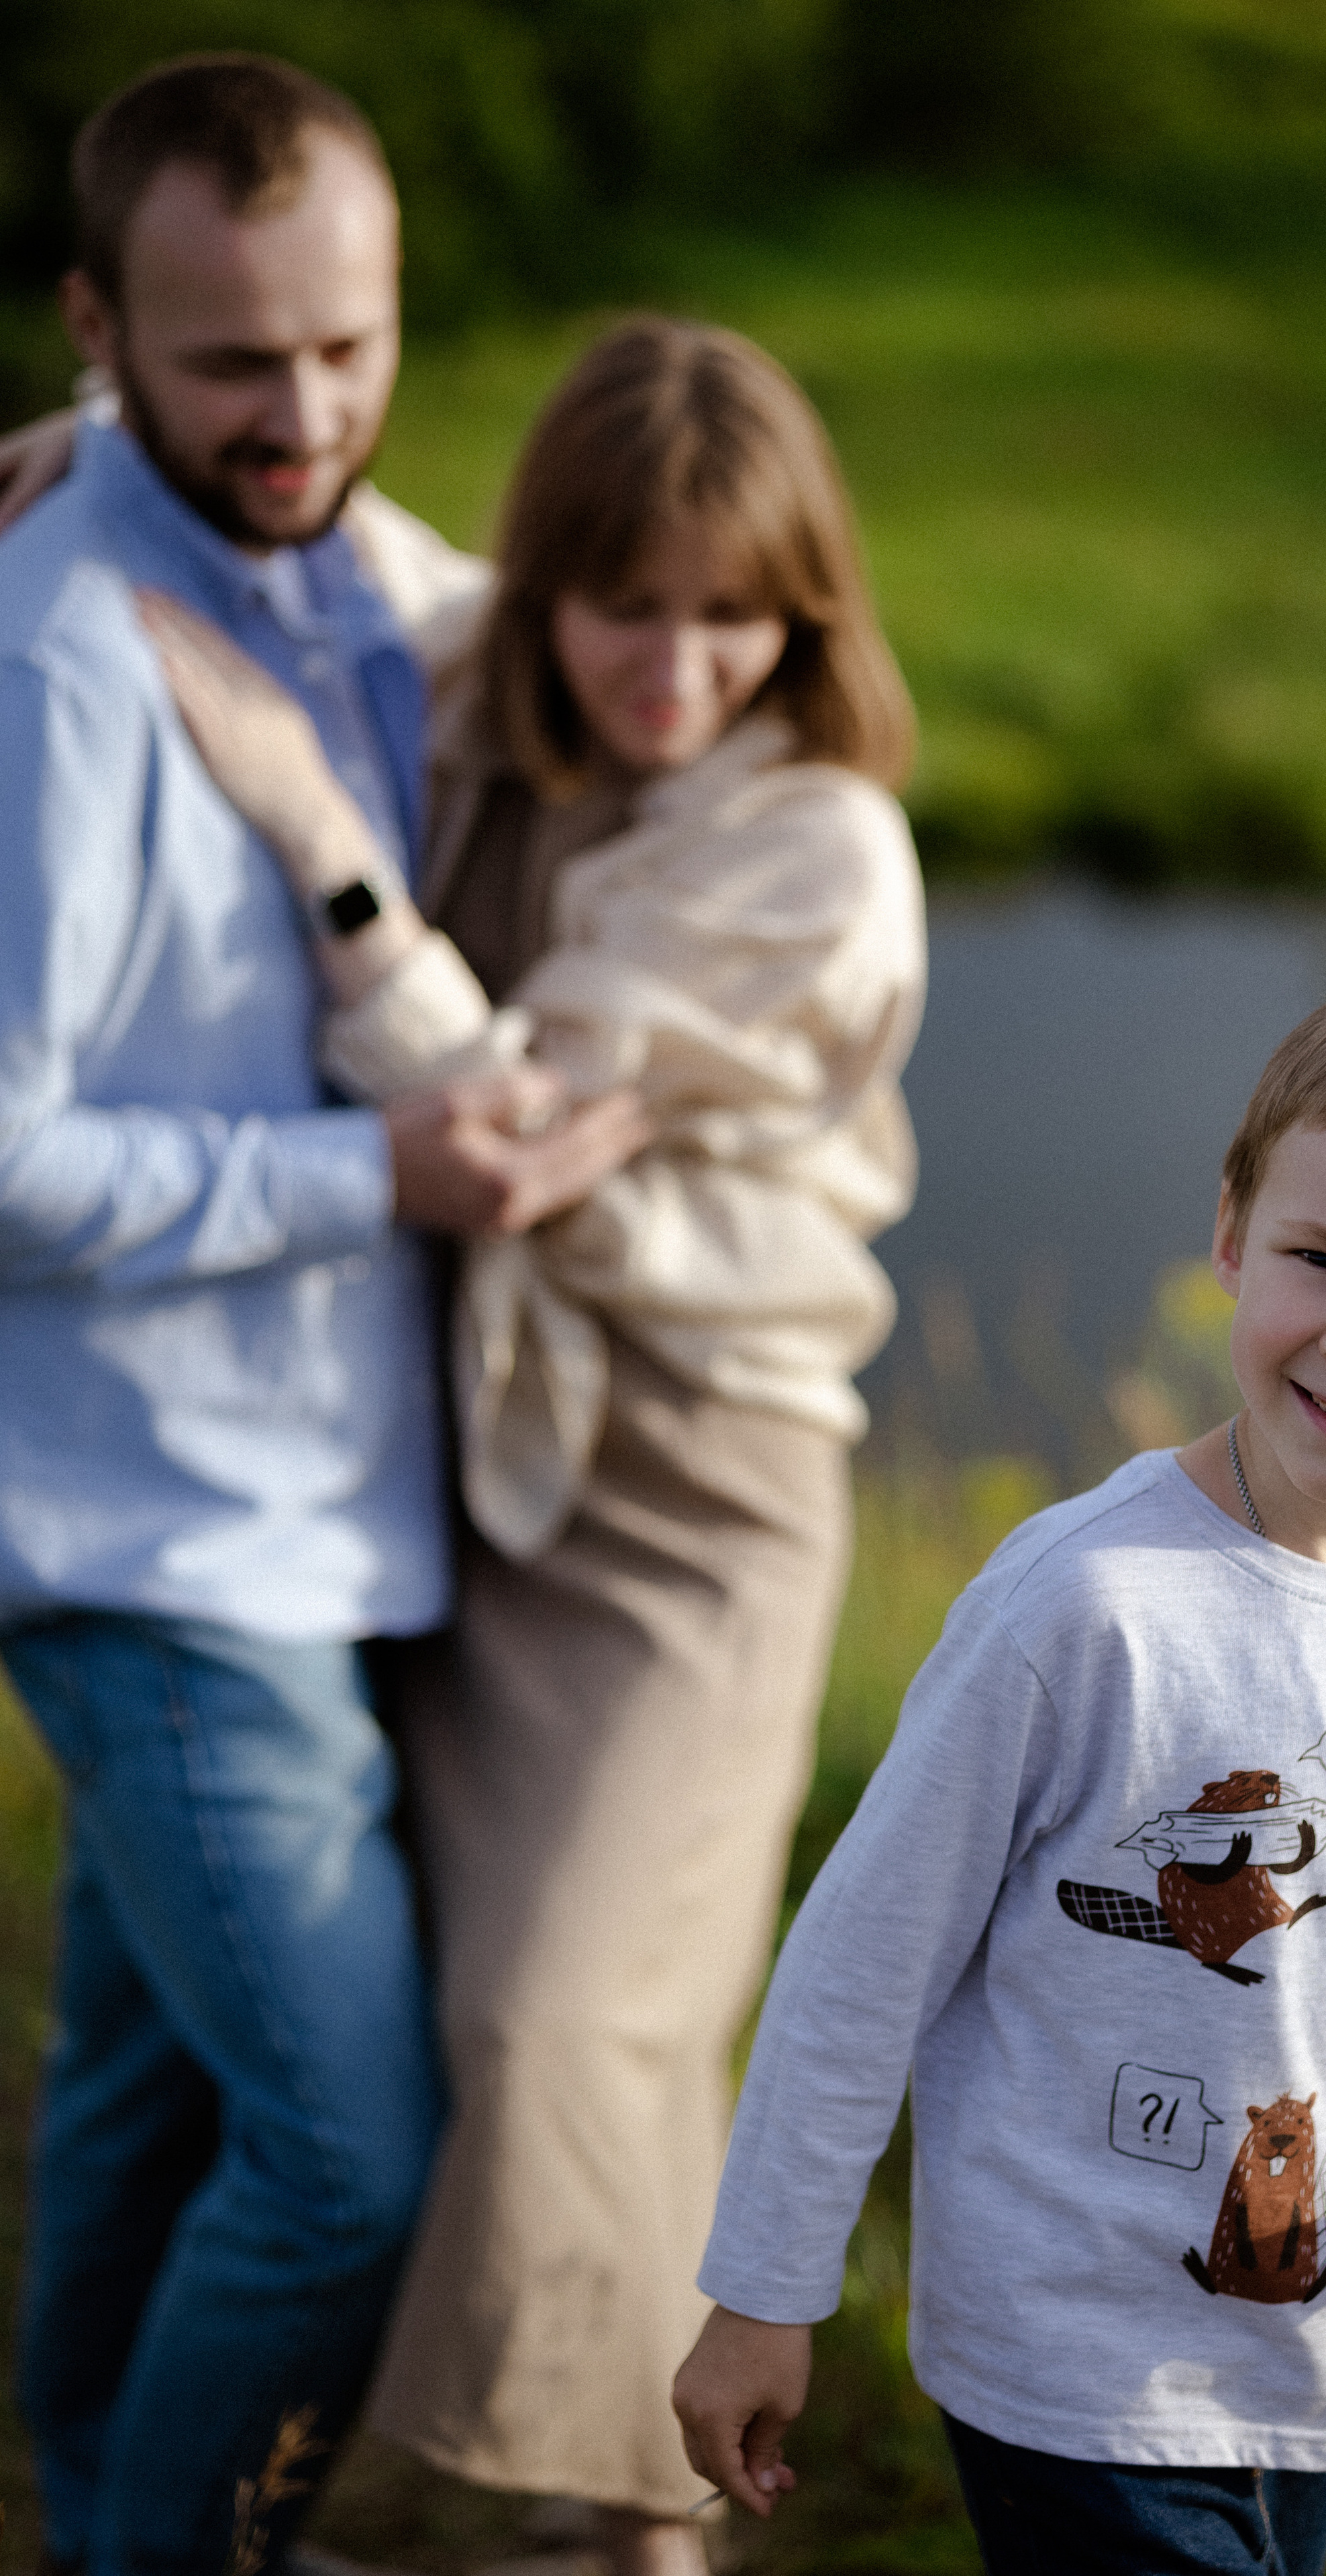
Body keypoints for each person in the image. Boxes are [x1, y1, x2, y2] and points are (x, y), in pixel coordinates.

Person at [136, 315, 925, 2573]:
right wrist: (93, 445)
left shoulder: (815, 847)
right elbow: (361, 535)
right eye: (626, 605)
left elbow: (503, 1131)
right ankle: (626, 2508)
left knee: (564, 2007)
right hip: (467, 1465)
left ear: (807, 611)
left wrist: (318, 831)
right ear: (556, 585)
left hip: (696, 1496)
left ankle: (617, 2492)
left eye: (733, 613)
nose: (674, 665)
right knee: (551, 2017)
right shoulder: (514, 679)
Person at [672, 960, 1326, 2576]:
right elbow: (862, 1965)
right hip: (1074, 2373)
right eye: (1318, 1258)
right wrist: (763, 2291)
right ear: (1229, 1231)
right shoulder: (1080, 1606)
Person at [0, 56, 644, 2574]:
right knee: (351, 2158)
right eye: (230, 365)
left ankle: (78, 2493)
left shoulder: (382, 578)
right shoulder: (52, 662)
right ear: (97, 329)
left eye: (349, 352)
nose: (306, 419)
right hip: (157, 1545)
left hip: (330, 1511)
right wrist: (368, 1170)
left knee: (151, 2101)